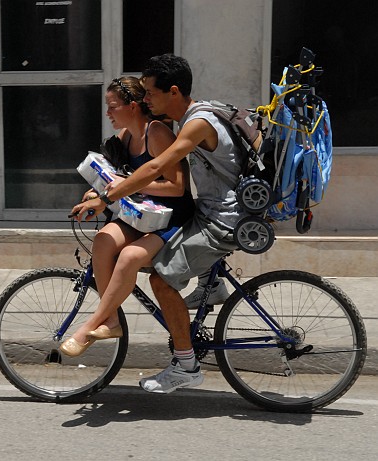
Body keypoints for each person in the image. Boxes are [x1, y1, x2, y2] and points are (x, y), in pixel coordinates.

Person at [71, 54, 247, 394]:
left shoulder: (195, 124)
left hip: (220, 221)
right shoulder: (190, 119)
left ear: (174, 91)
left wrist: (107, 197)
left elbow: (156, 170)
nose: (145, 99)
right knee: (120, 248)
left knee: (161, 281)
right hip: (209, 214)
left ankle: (186, 365)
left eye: (150, 93)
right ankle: (208, 289)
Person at [59, 76, 196, 357]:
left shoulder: (156, 134)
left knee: (130, 257)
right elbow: (111, 178)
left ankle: (92, 323)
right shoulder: (126, 137)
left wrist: (127, 184)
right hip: (140, 215)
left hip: (172, 219)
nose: (108, 113)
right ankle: (110, 319)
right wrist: (96, 195)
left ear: (132, 106)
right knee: (104, 240)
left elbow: (177, 186)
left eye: (112, 106)